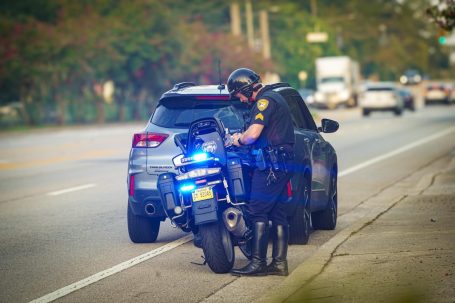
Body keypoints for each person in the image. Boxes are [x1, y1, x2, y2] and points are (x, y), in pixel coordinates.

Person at [227, 68, 295, 276]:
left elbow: (253, 135)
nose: (239, 98)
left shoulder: (264, 101)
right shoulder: (276, 97)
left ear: (246, 88)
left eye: (238, 94)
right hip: (282, 164)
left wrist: (236, 139)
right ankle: (279, 264)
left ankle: (257, 264)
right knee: (278, 213)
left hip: (270, 166)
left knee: (257, 210)